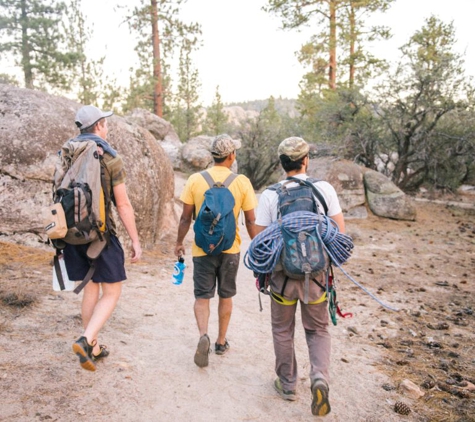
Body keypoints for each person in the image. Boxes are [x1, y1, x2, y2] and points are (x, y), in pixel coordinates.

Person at [254, 137, 345, 417]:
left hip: (282, 278)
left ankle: (288, 384)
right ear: (306, 160)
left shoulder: (270, 195)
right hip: (316, 278)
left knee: (282, 330)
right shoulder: (323, 190)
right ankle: (319, 378)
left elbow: (258, 239)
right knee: (317, 330)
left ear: (282, 164)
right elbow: (339, 233)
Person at [65, 105, 142, 371]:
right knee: (111, 291)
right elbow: (123, 205)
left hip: (72, 234)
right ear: (98, 126)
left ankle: (93, 348)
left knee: (90, 288)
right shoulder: (109, 157)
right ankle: (86, 340)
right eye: (105, 124)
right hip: (100, 234)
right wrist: (135, 239)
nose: (107, 128)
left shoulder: (66, 152)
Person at [175, 134, 257, 368]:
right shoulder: (241, 182)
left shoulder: (195, 180)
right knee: (226, 295)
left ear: (213, 156)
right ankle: (221, 341)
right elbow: (251, 221)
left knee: (202, 296)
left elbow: (185, 217)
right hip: (230, 249)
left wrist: (179, 242)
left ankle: (203, 335)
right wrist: (259, 246)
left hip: (202, 249)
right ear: (231, 156)